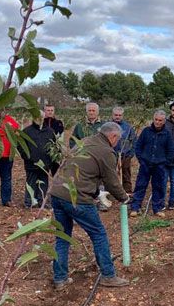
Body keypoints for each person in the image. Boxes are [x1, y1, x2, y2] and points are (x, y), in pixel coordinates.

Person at [49, 122, 131, 290]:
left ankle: (60, 278)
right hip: (76, 197)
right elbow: (111, 181)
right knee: (99, 234)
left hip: (57, 192)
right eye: (118, 139)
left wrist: (94, 193)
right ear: (113, 136)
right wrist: (124, 198)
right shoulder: (107, 152)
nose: (118, 142)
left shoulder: (85, 141)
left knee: (62, 237)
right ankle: (108, 275)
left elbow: (77, 169)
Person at [131, 111, 174, 218]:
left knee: (158, 187)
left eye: (160, 120)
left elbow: (171, 150)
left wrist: (165, 163)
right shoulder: (146, 131)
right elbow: (138, 146)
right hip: (145, 164)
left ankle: (157, 208)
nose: (157, 122)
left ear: (164, 121)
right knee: (140, 185)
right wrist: (141, 159)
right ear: (153, 119)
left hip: (159, 165)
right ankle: (135, 207)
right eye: (156, 119)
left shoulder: (167, 134)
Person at [18, 115, 56, 208]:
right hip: (31, 163)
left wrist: (51, 160)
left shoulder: (50, 131)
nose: (39, 119)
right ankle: (29, 202)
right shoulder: (27, 131)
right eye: (37, 117)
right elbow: (20, 146)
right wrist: (27, 157)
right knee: (31, 183)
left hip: (45, 164)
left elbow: (54, 146)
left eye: (41, 117)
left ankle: (42, 201)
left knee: (44, 183)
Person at [111, 106, 136, 196]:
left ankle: (127, 192)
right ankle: (111, 191)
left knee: (126, 172)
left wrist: (131, 154)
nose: (117, 117)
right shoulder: (107, 126)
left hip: (125, 155)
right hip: (111, 154)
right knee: (110, 173)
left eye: (119, 115)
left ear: (122, 115)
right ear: (112, 115)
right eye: (116, 115)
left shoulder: (128, 127)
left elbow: (133, 141)